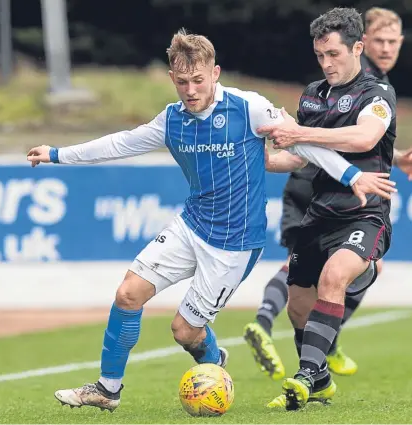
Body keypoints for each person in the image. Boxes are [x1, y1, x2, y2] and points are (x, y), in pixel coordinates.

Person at [27, 29, 395, 413]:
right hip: (192, 224)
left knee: (184, 331)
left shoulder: (247, 107)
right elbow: (120, 143)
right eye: (182, 82)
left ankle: (214, 365)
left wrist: (353, 177)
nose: (190, 89)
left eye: (198, 80)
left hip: (234, 244)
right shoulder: (170, 120)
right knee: (127, 293)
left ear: (215, 73)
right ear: (172, 78)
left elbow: (301, 142)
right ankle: (107, 389)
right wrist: (56, 154)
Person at [243, 6, 412, 387]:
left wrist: (300, 132)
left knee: (335, 276)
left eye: (333, 54)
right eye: (320, 56)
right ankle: (319, 380)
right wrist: (261, 160)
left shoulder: (377, 92)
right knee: (300, 305)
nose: (326, 63)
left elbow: (364, 137)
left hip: (364, 212)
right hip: (319, 212)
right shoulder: (312, 96)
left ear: (357, 48)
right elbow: (299, 157)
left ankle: (304, 376)